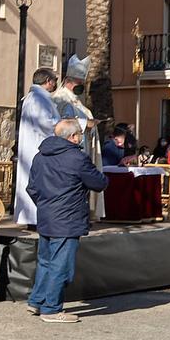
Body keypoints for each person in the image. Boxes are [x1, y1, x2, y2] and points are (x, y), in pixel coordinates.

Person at [25, 119, 109, 323]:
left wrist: (46, 205)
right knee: (60, 266)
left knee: (45, 261)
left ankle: (37, 301)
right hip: (68, 218)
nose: (81, 136)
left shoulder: (39, 156)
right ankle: (51, 309)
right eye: (79, 133)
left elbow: (32, 188)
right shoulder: (77, 158)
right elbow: (98, 183)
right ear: (72, 137)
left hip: (46, 216)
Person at [51, 56, 104, 220]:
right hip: (69, 152)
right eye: (78, 82)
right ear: (68, 80)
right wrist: (85, 123)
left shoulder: (77, 101)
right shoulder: (59, 98)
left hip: (82, 148)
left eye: (82, 82)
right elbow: (62, 123)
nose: (80, 86)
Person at [14, 68, 60, 226]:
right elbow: (45, 124)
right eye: (54, 80)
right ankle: (35, 218)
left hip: (34, 147)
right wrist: (65, 125)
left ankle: (33, 218)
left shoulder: (35, 97)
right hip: (38, 148)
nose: (55, 84)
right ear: (48, 81)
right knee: (38, 183)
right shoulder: (39, 99)